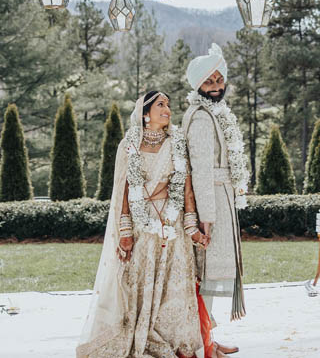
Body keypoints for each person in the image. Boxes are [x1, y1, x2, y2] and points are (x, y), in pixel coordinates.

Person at [78, 90, 217, 358]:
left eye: (168, 105)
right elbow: (124, 191)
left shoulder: (177, 142)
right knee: (139, 286)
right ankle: (142, 333)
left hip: (173, 225)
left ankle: (176, 340)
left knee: (174, 287)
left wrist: (191, 228)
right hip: (143, 227)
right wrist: (126, 231)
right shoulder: (129, 145)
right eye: (160, 105)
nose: (167, 109)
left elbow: (186, 188)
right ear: (145, 113)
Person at [182, 44, 250, 355]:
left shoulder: (215, 114)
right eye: (209, 82)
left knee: (208, 276)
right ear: (197, 85)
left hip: (221, 200)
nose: (217, 87)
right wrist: (205, 218)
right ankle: (203, 345)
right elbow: (201, 172)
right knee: (205, 276)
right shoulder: (200, 119)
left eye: (219, 80)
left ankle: (208, 336)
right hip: (211, 207)